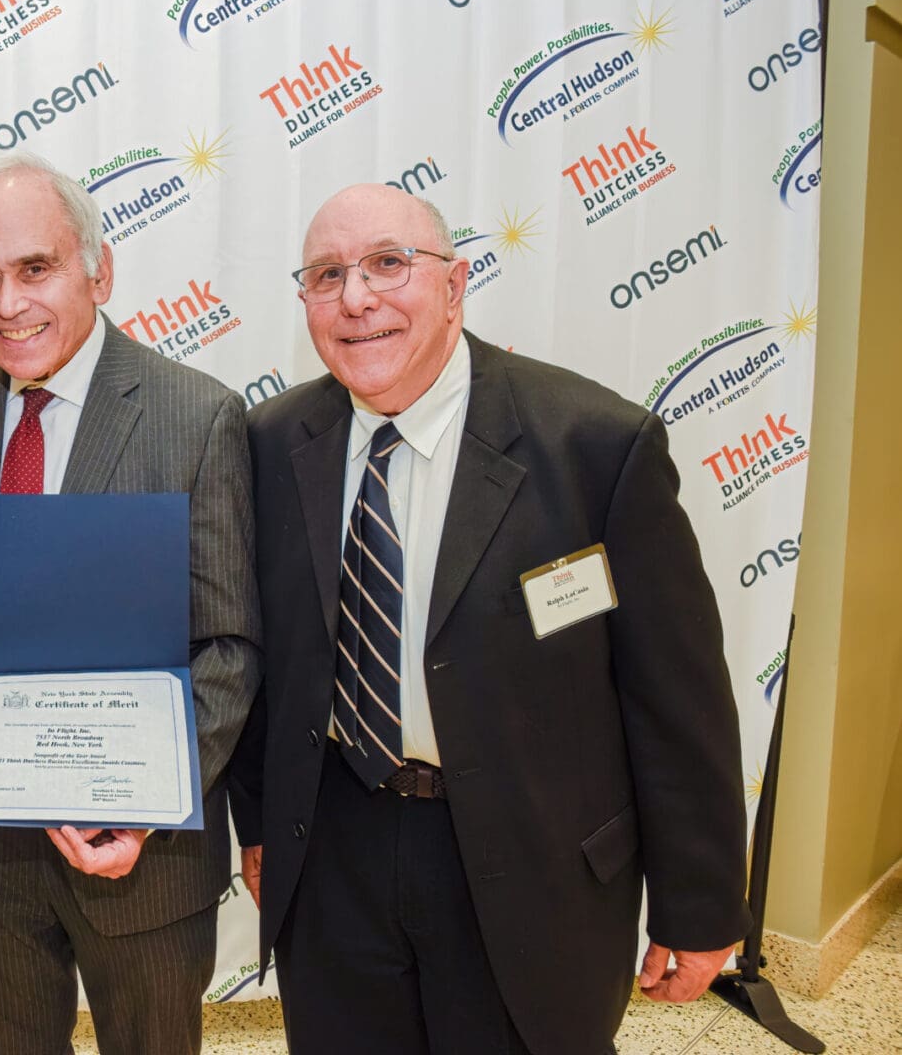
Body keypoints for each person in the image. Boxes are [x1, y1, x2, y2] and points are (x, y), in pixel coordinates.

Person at [228, 183, 750, 1055]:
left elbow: (675, 698)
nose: (357, 299)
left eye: (388, 264)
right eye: (326, 275)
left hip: (536, 858)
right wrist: (257, 824)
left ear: (454, 283)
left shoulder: (595, 446)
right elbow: (255, 661)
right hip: (332, 853)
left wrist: (698, 905)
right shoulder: (266, 445)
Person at [0, 152, 261, 1055]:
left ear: (98, 270)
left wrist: (140, 799)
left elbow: (229, 644)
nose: (7, 302)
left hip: (137, 849)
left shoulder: (195, 414)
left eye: (35, 269)